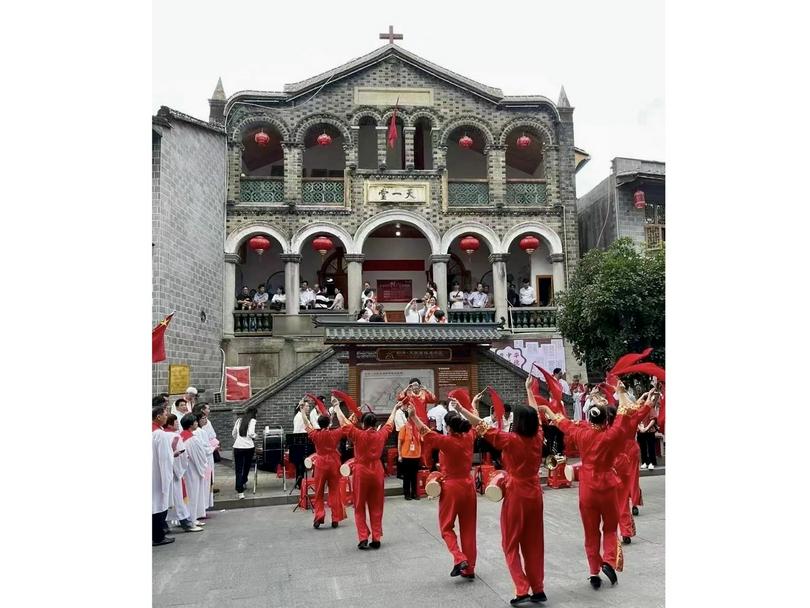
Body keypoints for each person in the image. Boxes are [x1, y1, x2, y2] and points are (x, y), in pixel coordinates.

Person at [538, 383, 654, 590]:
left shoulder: (581, 433)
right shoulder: (611, 435)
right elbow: (624, 415)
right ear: (605, 420)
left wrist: (547, 410)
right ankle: (608, 561)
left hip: (588, 488)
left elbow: (562, 422)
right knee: (609, 528)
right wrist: (621, 392)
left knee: (591, 533)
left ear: (589, 419)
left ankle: (593, 572)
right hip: (608, 485)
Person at [456, 385, 547, 604]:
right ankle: (538, 587)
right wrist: (527, 389)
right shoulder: (538, 435)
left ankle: (522, 588)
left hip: (516, 493)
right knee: (535, 543)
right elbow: (536, 411)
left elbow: (481, 425)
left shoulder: (510, 440)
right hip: (535, 493)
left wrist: (462, 409)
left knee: (510, 543)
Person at [410, 406, 478, 579]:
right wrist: (470, 406)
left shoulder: (447, 442)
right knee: (469, 529)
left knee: (446, 527)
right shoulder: (469, 437)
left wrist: (413, 416)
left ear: (448, 427)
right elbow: (475, 420)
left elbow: (425, 431)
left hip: (452, 487)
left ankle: (458, 557)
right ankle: (469, 568)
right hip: (468, 486)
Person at [334, 400, 402, 549]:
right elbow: (389, 425)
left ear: (364, 424)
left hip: (361, 471)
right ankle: (376, 537)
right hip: (377, 470)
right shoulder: (381, 435)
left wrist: (337, 408)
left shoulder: (358, 434)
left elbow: (344, 423)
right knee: (377, 506)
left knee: (359, 506)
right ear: (374, 423)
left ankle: (363, 537)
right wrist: (395, 408)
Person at [303, 400, 347, 528]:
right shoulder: (335, 433)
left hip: (321, 463)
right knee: (334, 491)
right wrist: (337, 408)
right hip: (334, 463)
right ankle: (335, 518)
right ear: (329, 423)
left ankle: (319, 516)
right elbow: (344, 424)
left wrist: (301, 410)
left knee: (319, 492)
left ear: (318, 423)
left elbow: (307, 423)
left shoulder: (315, 435)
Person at [163, 415, 203, 533]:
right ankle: (186, 522)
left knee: (165, 500)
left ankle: (164, 525)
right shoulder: (175, 436)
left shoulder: (160, 434)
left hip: (164, 471)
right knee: (179, 498)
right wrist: (181, 469)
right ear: (170, 423)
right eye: (175, 421)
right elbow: (182, 456)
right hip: (177, 472)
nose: (177, 424)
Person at [179, 412, 211, 528]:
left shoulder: (182, 436)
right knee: (193, 494)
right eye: (195, 422)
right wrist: (203, 466)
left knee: (190, 494)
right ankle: (192, 519)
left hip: (186, 469)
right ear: (191, 424)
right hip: (193, 470)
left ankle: (192, 517)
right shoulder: (192, 439)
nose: (197, 423)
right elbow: (200, 456)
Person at [152, 405, 175, 546]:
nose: (167, 417)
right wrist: (167, 478)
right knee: (158, 505)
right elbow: (165, 458)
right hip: (158, 475)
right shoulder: (160, 434)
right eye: (165, 414)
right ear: (158, 416)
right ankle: (158, 536)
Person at [232, 406, 258, 499]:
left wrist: (238, 440)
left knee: (238, 469)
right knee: (246, 467)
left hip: (237, 447)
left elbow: (233, 433)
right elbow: (251, 433)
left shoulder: (239, 420)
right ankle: (243, 481)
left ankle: (240, 491)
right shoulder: (253, 421)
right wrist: (256, 436)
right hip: (248, 447)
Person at [397, 409, 422, 500]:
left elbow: (422, 440)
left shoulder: (418, 428)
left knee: (414, 476)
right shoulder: (404, 428)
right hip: (406, 455)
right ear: (408, 418)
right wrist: (399, 455)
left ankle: (414, 493)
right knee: (407, 476)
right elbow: (400, 442)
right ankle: (407, 494)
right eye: (411, 416)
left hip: (416, 455)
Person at [637, 405, 659, 470]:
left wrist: (646, 428)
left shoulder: (650, 407)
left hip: (650, 430)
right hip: (640, 430)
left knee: (651, 447)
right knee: (642, 447)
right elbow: (635, 419)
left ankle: (651, 462)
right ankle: (644, 462)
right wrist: (640, 428)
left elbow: (653, 419)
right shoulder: (637, 407)